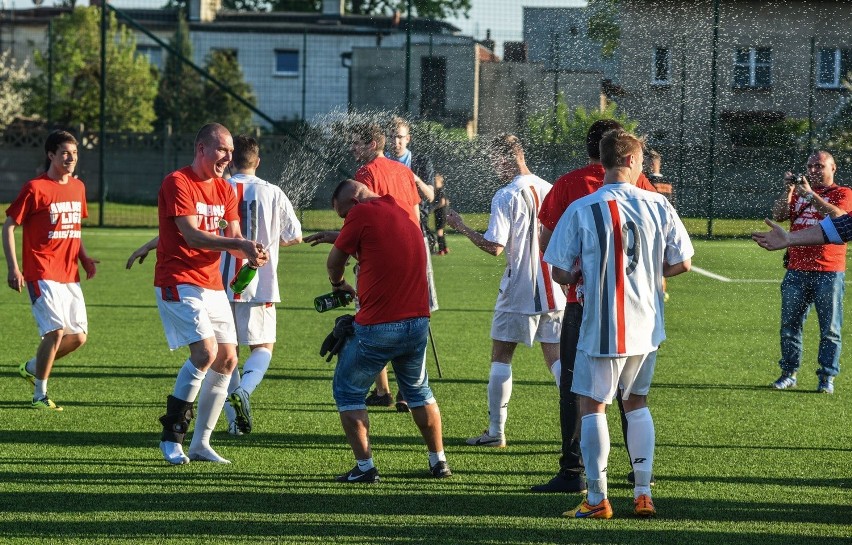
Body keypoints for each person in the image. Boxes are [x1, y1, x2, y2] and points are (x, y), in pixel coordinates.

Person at [544, 128, 693, 519]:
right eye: (641, 159)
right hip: (647, 324)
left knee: (593, 406)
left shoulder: (582, 207)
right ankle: (643, 493)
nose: (644, 165)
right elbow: (683, 262)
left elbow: (559, 272)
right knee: (636, 403)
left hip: (601, 322)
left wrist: (581, 274)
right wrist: (645, 273)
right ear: (629, 160)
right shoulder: (658, 204)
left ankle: (597, 499)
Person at [126, 123, 268, 465]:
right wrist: (238, 243)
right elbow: (191, 236)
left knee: (228, 359)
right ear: (201, 148)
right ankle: (172, 437)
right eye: (222, 149)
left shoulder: (226, 189)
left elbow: (233, 237)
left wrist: (250, 253)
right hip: (177, 279)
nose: (228, 157)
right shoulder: (178, 182)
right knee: (205, 353)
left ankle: (201, 444)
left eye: (231, 151)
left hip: (210, 284)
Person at [532, 119, 660, 493]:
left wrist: (575, 273)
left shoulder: (569, 185)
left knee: (579, 390)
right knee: (633, 395)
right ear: (628, 155)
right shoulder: (642, 185)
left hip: (583, 304)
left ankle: (576, 472)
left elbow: (547, 243)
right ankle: (639, 474)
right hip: (636, 305)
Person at [325, 179, 450, 482]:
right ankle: (439, 462)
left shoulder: (360, 213)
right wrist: (341, 235)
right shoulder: (402, 211)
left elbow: (334, 263)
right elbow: (380, 253)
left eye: (344, 216)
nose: (346, 221)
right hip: (418, 324)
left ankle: (365, 469)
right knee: (420, 392)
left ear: (353, 204)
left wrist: (338, 284)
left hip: (379, 326)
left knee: (347, 390)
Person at [445, 134, 566, 448]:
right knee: (556, 358)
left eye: (495, 161)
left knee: (501, 355)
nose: (494, 168)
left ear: (510, 158)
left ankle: (496, 432)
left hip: (520, 289)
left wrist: (460, 226)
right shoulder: (551, 188)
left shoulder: (506, 194)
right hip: (555, 286)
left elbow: (495, 246)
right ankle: (581, 419)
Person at [307, 122, 436, 413]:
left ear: (372, 144)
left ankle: (382, 390)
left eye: (356, 143)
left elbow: (365, 221)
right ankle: (408, 390)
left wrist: (342, 245)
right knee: (414, 317)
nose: (352, 148)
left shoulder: (364, 175)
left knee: (370, 315)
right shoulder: (403, 170)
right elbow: (414, 217)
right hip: (412, 251)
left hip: (378, 256)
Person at [3, 130, 98, 411]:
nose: (71, 158)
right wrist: (13, 268)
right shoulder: (35, 188)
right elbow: (9, 225)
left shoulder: (78, 188)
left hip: (69, 274)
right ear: (51, 155)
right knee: (55, 331)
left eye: (75, 153)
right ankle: (40, 396)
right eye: (65, 153)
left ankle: (32, 367)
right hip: (40, 271)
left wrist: (85, 258)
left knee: (78, 337)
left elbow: (73, 229)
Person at [762, 151, 852, 394]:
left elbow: (840, 219)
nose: (813, 170)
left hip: (829, 270)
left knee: (830, 329)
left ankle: (826, 377)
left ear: (833, 168)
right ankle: (789, 373)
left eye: (819, 166)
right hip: (796, 270)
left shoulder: (842, 193)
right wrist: (789, 190)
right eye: (810, 166)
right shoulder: (800, 192)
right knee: (790, 325)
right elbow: (779, 214)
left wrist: (811, 196)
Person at [386, 116, 438, 251]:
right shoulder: (380, 161)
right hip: (387, 228)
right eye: (391, 137)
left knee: (420, 272)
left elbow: (430, 196)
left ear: (408, 138)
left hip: (416, 226)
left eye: (399, 137)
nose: (395, 141)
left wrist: (415, 179)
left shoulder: (421, 162)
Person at [432, 174, 450, 255]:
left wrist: (434, 208)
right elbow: (447, 202)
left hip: (440, 213)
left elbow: (443, 202)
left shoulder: (439, 190)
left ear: (440, 182)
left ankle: (441, 250)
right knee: (441, 231)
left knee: (439, 232)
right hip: (443, 213)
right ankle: (445, 248)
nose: (434, 183)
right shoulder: (442, 190)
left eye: (436, 181)